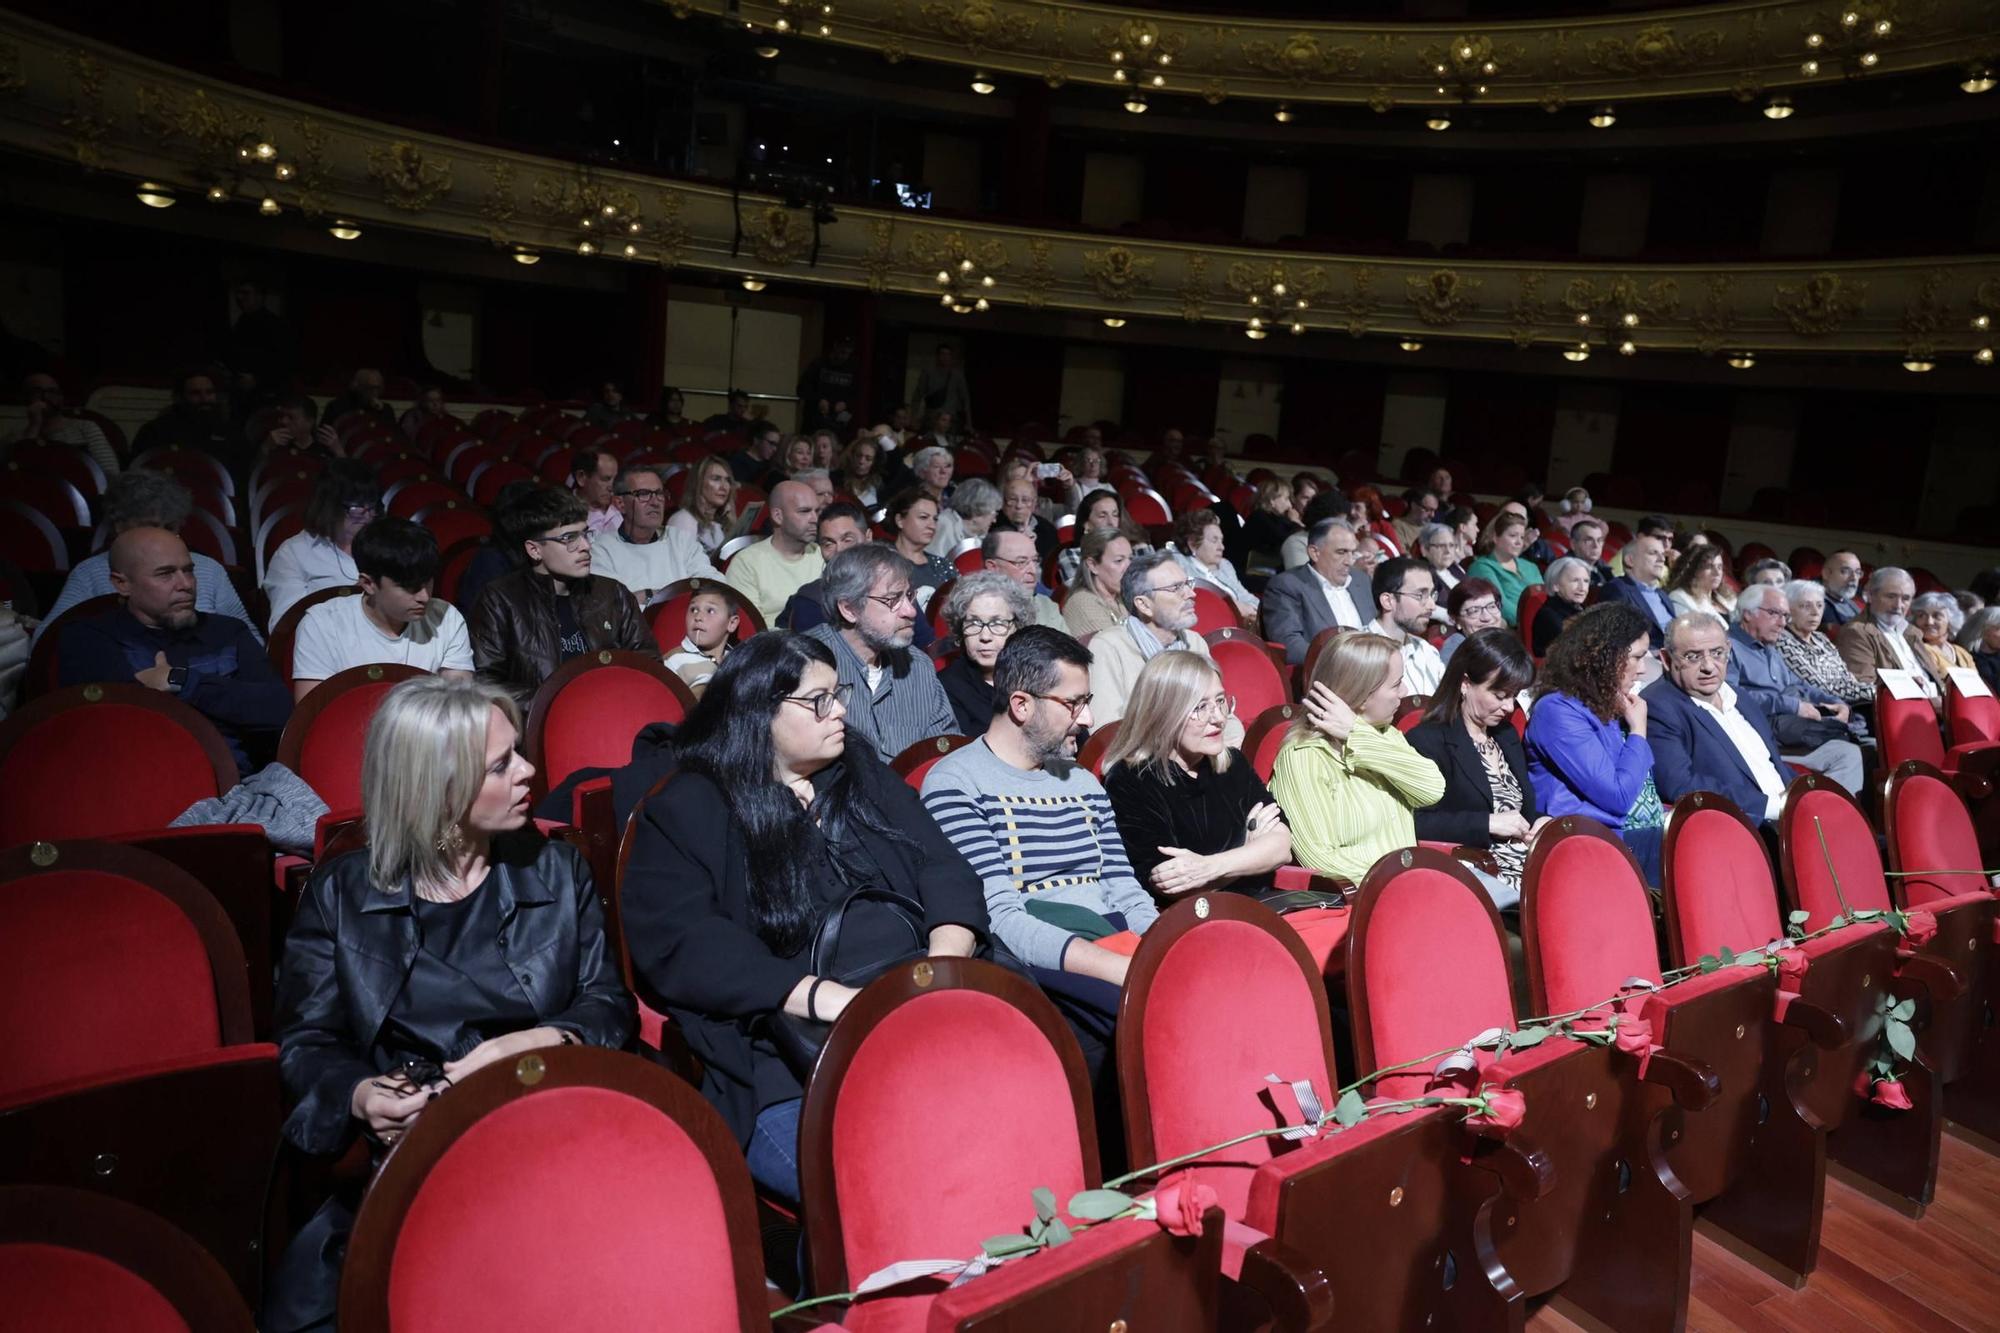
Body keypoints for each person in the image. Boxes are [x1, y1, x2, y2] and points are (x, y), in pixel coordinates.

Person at [266, 677, 633, 1327]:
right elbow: (307, 1042)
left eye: (518, 751)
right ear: (437, 786)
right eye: (501, 764)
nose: (529, 771)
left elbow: (606, 1004)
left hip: (544, 1125)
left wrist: (521, 1046)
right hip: (413, 1150)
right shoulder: (341, 892)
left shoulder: (556, 868)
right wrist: (363, 1094)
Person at [620, 633, 985, 1197]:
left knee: (1007, 1140)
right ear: (759, 713)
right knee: (894, 1188)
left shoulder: (855, 769)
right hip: (793, 1051)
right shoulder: (689, 806)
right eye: (819, 700)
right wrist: (835, 1001)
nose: (840, 710)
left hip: (922, 1006)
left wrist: (942, 970)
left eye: (836, 693)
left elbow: (943, 867)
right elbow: (688, 945)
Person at [921, 627, 1156, 1113]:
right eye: (1073, 704)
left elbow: (1125, 890)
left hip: (1114, 942)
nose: (1087, 719)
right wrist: (1123, 968)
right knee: (1159, 1027)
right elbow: (1002, 916)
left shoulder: (1082, 783)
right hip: (1047, 953)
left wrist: (1164, 949)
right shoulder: (956, 782)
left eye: (1086, 701)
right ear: (1022, 705)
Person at [58, 528, 291, 773]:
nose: (185, 585)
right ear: (122, 584)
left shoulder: (229, 632)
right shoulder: (89, 639)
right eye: (165, 574)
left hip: (237, 785)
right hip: (142, 786)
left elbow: (279, 711)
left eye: (189, 571)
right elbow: (117, 728)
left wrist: (181, 681)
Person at [1102, 653, 1292, 899]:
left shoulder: (1232, 763)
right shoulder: (1131, 780)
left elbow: (1282, 847)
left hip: (1262, 905)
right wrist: (1249, 851)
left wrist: (1209, 867)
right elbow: (1173, 885)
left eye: (1221, 701)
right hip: (1195, 921)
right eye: (1200, 707)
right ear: (1163, 713)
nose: (1219, 718)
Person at [1269, 632, 1445, 883]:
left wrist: (1356, 734)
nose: (1405, 692)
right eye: (1396, 684)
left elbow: (1432, 789)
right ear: (1360, 695)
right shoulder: (1302, 757)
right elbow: (1320, 859)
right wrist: (1398, 882)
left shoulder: (1385, 736)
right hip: (1362, 901)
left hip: (1409, 889)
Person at [468, 488, 658, 709]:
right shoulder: (500, 600)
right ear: (534, 550)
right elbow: (487, 684)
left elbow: (649, 664)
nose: (585, 546)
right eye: (569, 538)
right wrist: (560, 704)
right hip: (539, 726)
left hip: (614, 716)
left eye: (585, 534)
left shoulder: (613, 593)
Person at [33, 470, 259, 645]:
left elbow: (249, 640)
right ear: (120, 527)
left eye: (169, 527)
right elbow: (47, 641)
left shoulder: (210, 570)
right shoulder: (90, 572)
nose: (160, 537)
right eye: (148, 527)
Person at [1523, 602, 1662, 882]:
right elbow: (1618, 796)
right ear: (1605, 657)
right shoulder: (1557, 711)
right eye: (1636, 657)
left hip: (1618, 836)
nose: (1643, 670)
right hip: (1583, 841)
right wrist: (1638, 731)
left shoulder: (1604, 706)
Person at [1405, 630, 1544, 908]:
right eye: (1499, 695)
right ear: (1466, 683)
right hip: (1481, 875)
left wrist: (1541, 821)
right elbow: (1415, 823)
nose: (1509, 707)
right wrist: (1487, 823)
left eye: (1514, 696)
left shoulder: (1503, 734)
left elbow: (1520, 807)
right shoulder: (1428, 740)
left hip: (1528, 865)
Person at [291, 518, 474, 699]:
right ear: (368, 584)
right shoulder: (322, 624)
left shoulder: (446, 618)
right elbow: (314, 714)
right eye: (410, 587)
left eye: (428, 583)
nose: (424, 597)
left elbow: (458, 705)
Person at [804, 544, 956, 762]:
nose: (911, 611)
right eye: (892, 600)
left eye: (909, 595)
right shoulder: (806, 665)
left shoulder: (918, 666)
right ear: (849, 609)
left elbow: (944, 752)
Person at [1644, 613, 1797, 822]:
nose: (1709, 666)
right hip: (1741, 828)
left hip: (1790, 816)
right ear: (1666, 659)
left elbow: (1770, 764)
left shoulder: (1738, 696)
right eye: (1693, 656)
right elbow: (1679, 784)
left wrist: (1802, 797)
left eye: (1717, 653)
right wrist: (1772, 806)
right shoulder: (1657, 706)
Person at [1088, 552, 1244, 744]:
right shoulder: (1109, 647)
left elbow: (1221, 714)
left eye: (1188, 584)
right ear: (1144, 605)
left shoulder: (1194, 643)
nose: (1191, 593)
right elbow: (1106, 734)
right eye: (1176, 588)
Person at [1724, 583, 1866, 793]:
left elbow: (1798, 685)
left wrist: (1837, 702)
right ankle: (1816, 818)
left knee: (1852, 749)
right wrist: (1792, 705)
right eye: (1774, 613)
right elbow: (1730, 697)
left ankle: (1825, 818)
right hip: (1760, 736)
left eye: (1785, 616)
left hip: (1789, 729)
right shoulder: (1728, 647)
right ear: (1747, 614)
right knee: (1848, 748)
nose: (1782, 623)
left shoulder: (1769, 649)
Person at [264, 460, 380, 628]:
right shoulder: (294, 553)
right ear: (330, 506)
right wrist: (352, 601)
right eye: (357, 508)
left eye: (371, 507)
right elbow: (284, 627)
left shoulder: (383, 544)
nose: (367, 516)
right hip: (326, 648)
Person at [588, 464, 724, 601]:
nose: (655, 502)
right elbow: (608, 605)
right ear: (620, 503)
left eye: (659, 494)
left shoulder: (679, 540)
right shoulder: (602, 549)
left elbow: (713, 582)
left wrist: (647, 595)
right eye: (643, 494)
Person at [1261, 517, 1365, 665]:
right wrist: (1342, 663)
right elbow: (1289, 645)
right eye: (1341, 552)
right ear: (1315, 553)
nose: (1349, 561)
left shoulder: (1361, 581)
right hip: (1327, 676)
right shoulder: (1286, 586)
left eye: (1352, 553)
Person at [938, 570, 1032, 735]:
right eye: (974, 623)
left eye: (997, 623)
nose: (985, 636)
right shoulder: (946, 686)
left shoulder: (1039, 673)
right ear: (960, 629)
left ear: (1017, 627)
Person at [726, 479, 824, 627]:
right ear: (778, 516)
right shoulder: (746, 563)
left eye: (816, 511)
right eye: (804, 511)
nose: (815, 519)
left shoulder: (822, 555)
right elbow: (750, 629)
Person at [1838, 567, 1943, 700]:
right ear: (1870, 596)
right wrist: (1923, 701)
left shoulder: (1913, 633)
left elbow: (1936, 681)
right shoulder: (1856, 632)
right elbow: (1862, 687)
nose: (1898, 605)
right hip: (1900, 712)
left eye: (1905, 599)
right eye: (1891, 596)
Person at [1775, 579, 1873, 706]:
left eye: (1819, 605)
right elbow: (1821, 688)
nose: (1815, 612)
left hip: (1851, 702)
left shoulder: (1821, 638)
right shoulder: (1782, 642)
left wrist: (1872, 690)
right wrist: (1873, 692)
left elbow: (1848, 679)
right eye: (1806, 606)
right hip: (1820, 709)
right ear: (1787, 609)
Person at [781, 502, 872, 633]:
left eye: (847, 540)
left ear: (868, 537)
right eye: (828, 544)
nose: (839, 550)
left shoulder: (899, 581)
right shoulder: (811, 601)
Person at [14, 370, 119, 478]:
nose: (45, 397)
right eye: (37, 391)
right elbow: (18, 474)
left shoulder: (85, 428)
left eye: (52, 391)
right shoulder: (16, 437)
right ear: (26, 397)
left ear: (61, 397)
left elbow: (111, 472)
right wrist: (34, 426)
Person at [1368, 555, 1446, 696]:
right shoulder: (1357, 655)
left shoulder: (1426, 651)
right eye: (1420, 595)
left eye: (1432, 595)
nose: (1432, 605)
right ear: (1388, 601)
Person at [130, 368, 235, 465]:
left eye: (209, 392)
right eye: (195, 393)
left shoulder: (228, 432)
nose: (205, 399)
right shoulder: (155, 432)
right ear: (179, 397)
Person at [1171, 508, 1258, 623]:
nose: (1221, 547)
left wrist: (1250, 609)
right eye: (1214, 540)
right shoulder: (1179, 565)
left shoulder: (1225, 565)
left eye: (1221, 541)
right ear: (1192, 544)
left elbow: (1248, 598)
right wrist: (1233, 608)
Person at [1466, 512, 1543, 629]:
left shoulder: (1531, 567)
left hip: (1541, 626)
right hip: (1513, 630)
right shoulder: (1481, 567)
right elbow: (1501, 606)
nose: (1519, 542)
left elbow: (1543, 599)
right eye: (1513, 536)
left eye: (1522, 537)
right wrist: (1533, 623)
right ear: (1496, 538)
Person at [882, 487, 955, 611]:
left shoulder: (943, 566)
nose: (932, 526)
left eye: (935, 519)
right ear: (900, 520)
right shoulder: (881, 563)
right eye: (923, 517)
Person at [1600, 532, 1676, 649]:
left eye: (1662, 554)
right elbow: (1616, 638)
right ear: (1630, 560)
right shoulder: (1616, 589)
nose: (1662, 559)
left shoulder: (1662, 594)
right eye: (1653, 553)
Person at [663, 584, 742, 695]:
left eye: (710, 611)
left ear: (731, 623)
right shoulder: (674, 661)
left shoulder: (739, 660)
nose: (698, 617)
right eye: (694, 610)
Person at [983, 528, 1066, 629]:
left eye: (1035, 560)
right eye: (1021, 562)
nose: (1033, 571)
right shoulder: (978, 610)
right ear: (993, 567)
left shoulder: (1046, 606)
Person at [1062, 527, 1134, 640]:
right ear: (1093, 565)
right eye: (1119, 561)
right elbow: (1111, 648)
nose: (1129, 568)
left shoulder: (1122, 599)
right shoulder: (1082, 603)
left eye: (1130, 559)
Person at [668, 455, 736, 558]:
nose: (724, 486)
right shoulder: (683, 520)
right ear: (698, 483)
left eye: (727, 480)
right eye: (716, 479)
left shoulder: (719, 525)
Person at [797, 333, 860, 434]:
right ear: (836, 346)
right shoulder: (819, 364)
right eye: (842, 351)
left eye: (848, 353)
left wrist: (846, 403)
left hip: (837, 423)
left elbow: (856, 394)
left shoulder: (852, 369)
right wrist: (818, 400)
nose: (844, 356)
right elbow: (802, 389)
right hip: (814, 420)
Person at [1533, 556, 1592, 657]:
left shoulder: (1581, 609)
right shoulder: (1548, 615)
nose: (1582, 588)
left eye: (1586, 581)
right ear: (1556, 585)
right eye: (1575, 581)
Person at [1910, 591, 1975, 683]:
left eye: (1937, 616)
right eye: (1922, 616)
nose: (1929, 622)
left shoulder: (1962, 652)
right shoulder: (1919, 649)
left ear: (1951, 620)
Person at [1238, 479, 1303, 569]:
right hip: (1252, 571)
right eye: (1286, 499)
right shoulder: (1259, 517)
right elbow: (1286, 540)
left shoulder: (1277, 518)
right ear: (1272, 500)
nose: (1290, 505)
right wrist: (1295, 522)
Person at [993, 473, 1059, 561]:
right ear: (1003, 501)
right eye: (1012, 499)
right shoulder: (992, 526)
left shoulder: (1047, 529)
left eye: (1025, 500)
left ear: (1034, 503)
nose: (1019, 506)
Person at [1439, 577, 1506, 663]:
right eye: (1474, 611)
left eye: (1492, 606)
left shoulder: (1506, 641)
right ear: (1455, 620)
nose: (1487, 617)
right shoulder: (1455, 652)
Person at [1665, 542, 1734, 624]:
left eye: (1719, 567)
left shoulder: (1725, 597)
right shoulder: (1680, 598)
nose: (1717, 572)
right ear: (1694, 570)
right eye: (1709, 566)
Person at [929, 476, 999, 557]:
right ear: (978, 510)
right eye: (994, 513)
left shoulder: (981, 534)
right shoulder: (945, 524)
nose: (994, 520)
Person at [909, 344, 972, 433]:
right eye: (942, 354)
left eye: (948, 354)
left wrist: (968, 423)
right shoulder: (928, 373)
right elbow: (917, 396)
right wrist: (913, 418)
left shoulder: (957, 375)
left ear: (951, 357)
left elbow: (965, 399)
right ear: (937, 356)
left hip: (950, 419)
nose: (945, 357)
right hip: (931, 419)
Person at [569, 443, 622, 537]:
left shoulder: (623, 507)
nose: (612, 487)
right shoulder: (564, 516)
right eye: (605, 479)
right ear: (581, 477)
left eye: (615, 479)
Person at [318, 368, 395, 432]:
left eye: (378, 388)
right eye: (370, 388)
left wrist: (381, 412)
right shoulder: (337, 406)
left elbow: (392, 435)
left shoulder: (385, 410)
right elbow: (324, 435)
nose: (375, 393)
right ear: (357, 386)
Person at [834, 433, 888, 507]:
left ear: (874, 462)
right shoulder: (838, 478)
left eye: (868, 459)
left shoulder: (879, 485)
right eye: (858, 455)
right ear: (852, 456)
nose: (861, 461)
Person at [1818, 551, 1866, 628]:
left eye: (1858, 572)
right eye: (1846, 571)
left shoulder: (1853, 605)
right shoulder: (1815, 603)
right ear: (1826, 573)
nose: (1854, 578)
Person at [729, 421, 783, 485]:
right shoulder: (738, 461)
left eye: (776, 445)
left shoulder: (772, 464)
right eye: (771, 443)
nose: (775, 449)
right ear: (756, 440)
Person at [1567, 517, 1615, 587]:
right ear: (1573, 544)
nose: (1596, 545)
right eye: (1589, 540)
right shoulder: (1564, 570)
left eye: (1599, 540)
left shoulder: (1605, 570)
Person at [1391, 488, 1440, 554]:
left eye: (1434, 510)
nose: (1432, 515)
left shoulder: (1433, 528)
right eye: (1427, 510)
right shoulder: (1397, 525)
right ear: (1413, 505)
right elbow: (1402, 556)